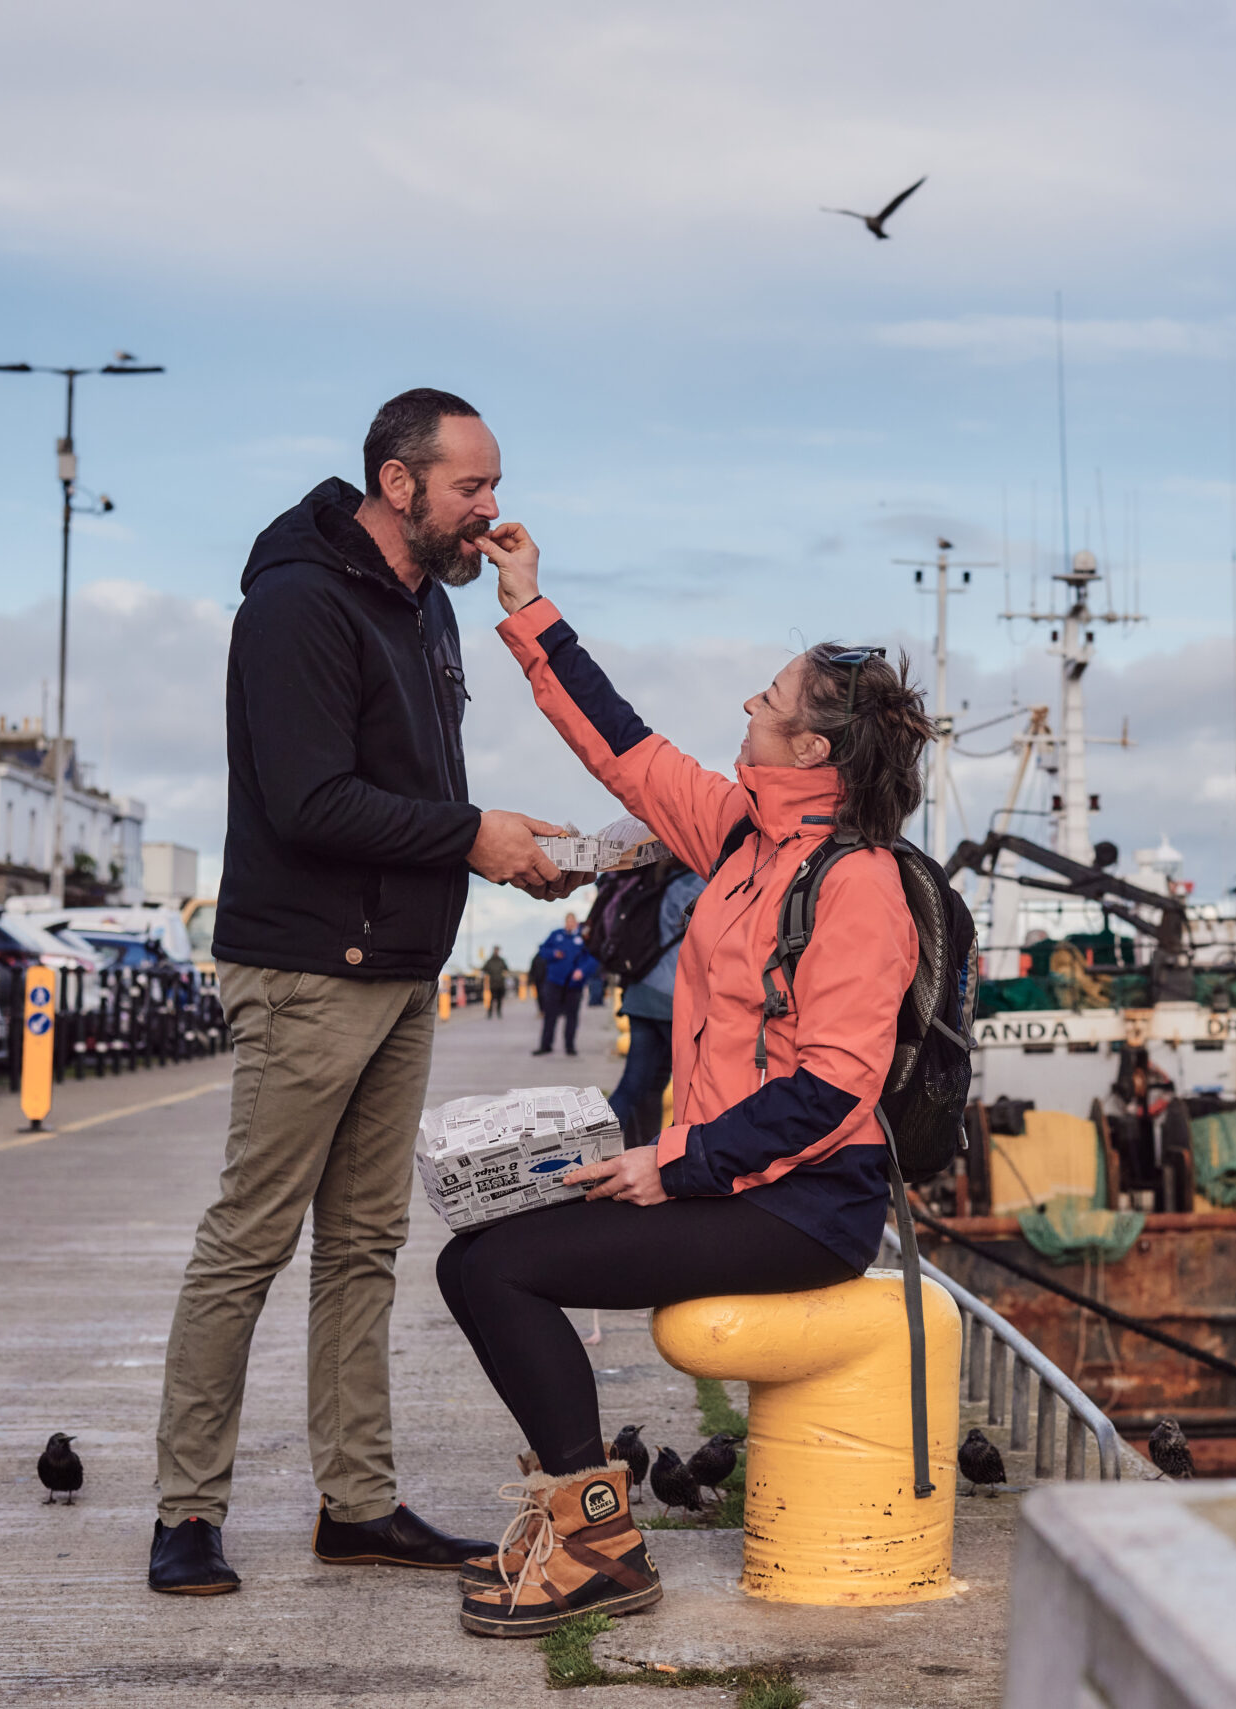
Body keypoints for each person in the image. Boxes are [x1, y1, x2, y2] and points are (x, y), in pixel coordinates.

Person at [430, 524, 931, 1639]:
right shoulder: (744, 835)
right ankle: (584, 1523)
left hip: (806, 1204)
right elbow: (621, 746)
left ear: (813, 751)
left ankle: (595, 1543)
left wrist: (674, 1163)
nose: (746, 709)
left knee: (499, 1270)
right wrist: (528, 605)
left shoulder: (858, 887)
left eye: (766, 700)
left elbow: (833, 1089)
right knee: (479, 1254)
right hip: (735, 1180)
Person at [149, 389, 576, 1598]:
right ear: (399, 483)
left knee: (365, 1246)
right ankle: (187, 1507)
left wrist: (509, 850)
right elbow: (308, 801)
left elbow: (420, 791)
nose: (490, 508)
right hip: (304, 970)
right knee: (249, 1240)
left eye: (491, 487)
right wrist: (471, 835)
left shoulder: (426, 608)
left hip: (397, 968)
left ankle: (359, 1502)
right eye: (470, 487)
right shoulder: (296, 602)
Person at [607, 861, 704, 1144]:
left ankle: (607, 1151)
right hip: (672, 996)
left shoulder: (657, 881)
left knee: (640, 1084)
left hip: (642, 992)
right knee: (692, 1088)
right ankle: (667, 1158)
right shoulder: (695, 884)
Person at [532, 912, 596, 1056]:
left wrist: (582, 971)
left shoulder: (583, 937)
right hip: (554, 981)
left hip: (573, 984)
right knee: (550, 1015)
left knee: (572, 1016)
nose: (570, 924)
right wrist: (554, 953)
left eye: (572, 922)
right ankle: (545, 1045)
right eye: (568, 922)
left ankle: (570, 1046)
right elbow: (543, 950)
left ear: (576, 923)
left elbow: (592, 957)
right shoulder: (556, 935)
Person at [482, 946, 510, 1018]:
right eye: (495, 950)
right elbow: (484, 969)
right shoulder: (489, 961)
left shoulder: (501, 960)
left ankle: (499, 1012)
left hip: (500, 983)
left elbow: (506, 969)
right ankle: (489, 1013)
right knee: (491, 999)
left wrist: (504, 975)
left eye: (497, 950)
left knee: (499, 999)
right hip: (493, 983)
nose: (496, 952)